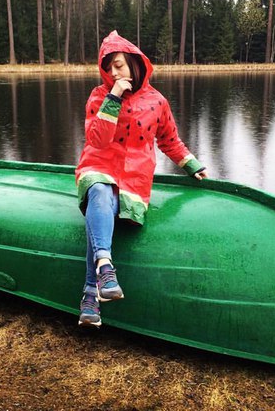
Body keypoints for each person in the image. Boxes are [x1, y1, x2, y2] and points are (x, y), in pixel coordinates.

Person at [75, 30, 208, 327]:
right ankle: (105, 267)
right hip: (98, 166)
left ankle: (90, 294)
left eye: (118, 65)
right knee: (99, 191)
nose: (113, 73)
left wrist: (192, 165)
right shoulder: (99, 96)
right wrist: (113, 97)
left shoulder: (157, 102)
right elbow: (97, 140)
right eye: (108, 68)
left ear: (134, 64)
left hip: (135, 180)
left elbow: (169, 140)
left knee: (100, 211)